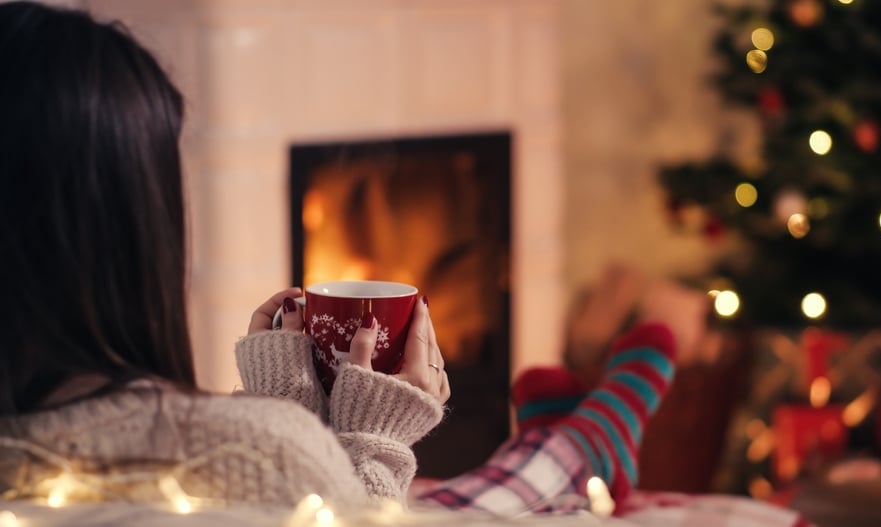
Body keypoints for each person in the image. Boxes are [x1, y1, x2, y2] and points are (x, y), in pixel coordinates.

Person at [0, 0, 678, 517]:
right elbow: (363, 516)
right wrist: (369, 433)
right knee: (472, 508)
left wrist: (292, 421)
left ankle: (573, 435)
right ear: (132, 230)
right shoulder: (250, 455)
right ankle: (593, 434)